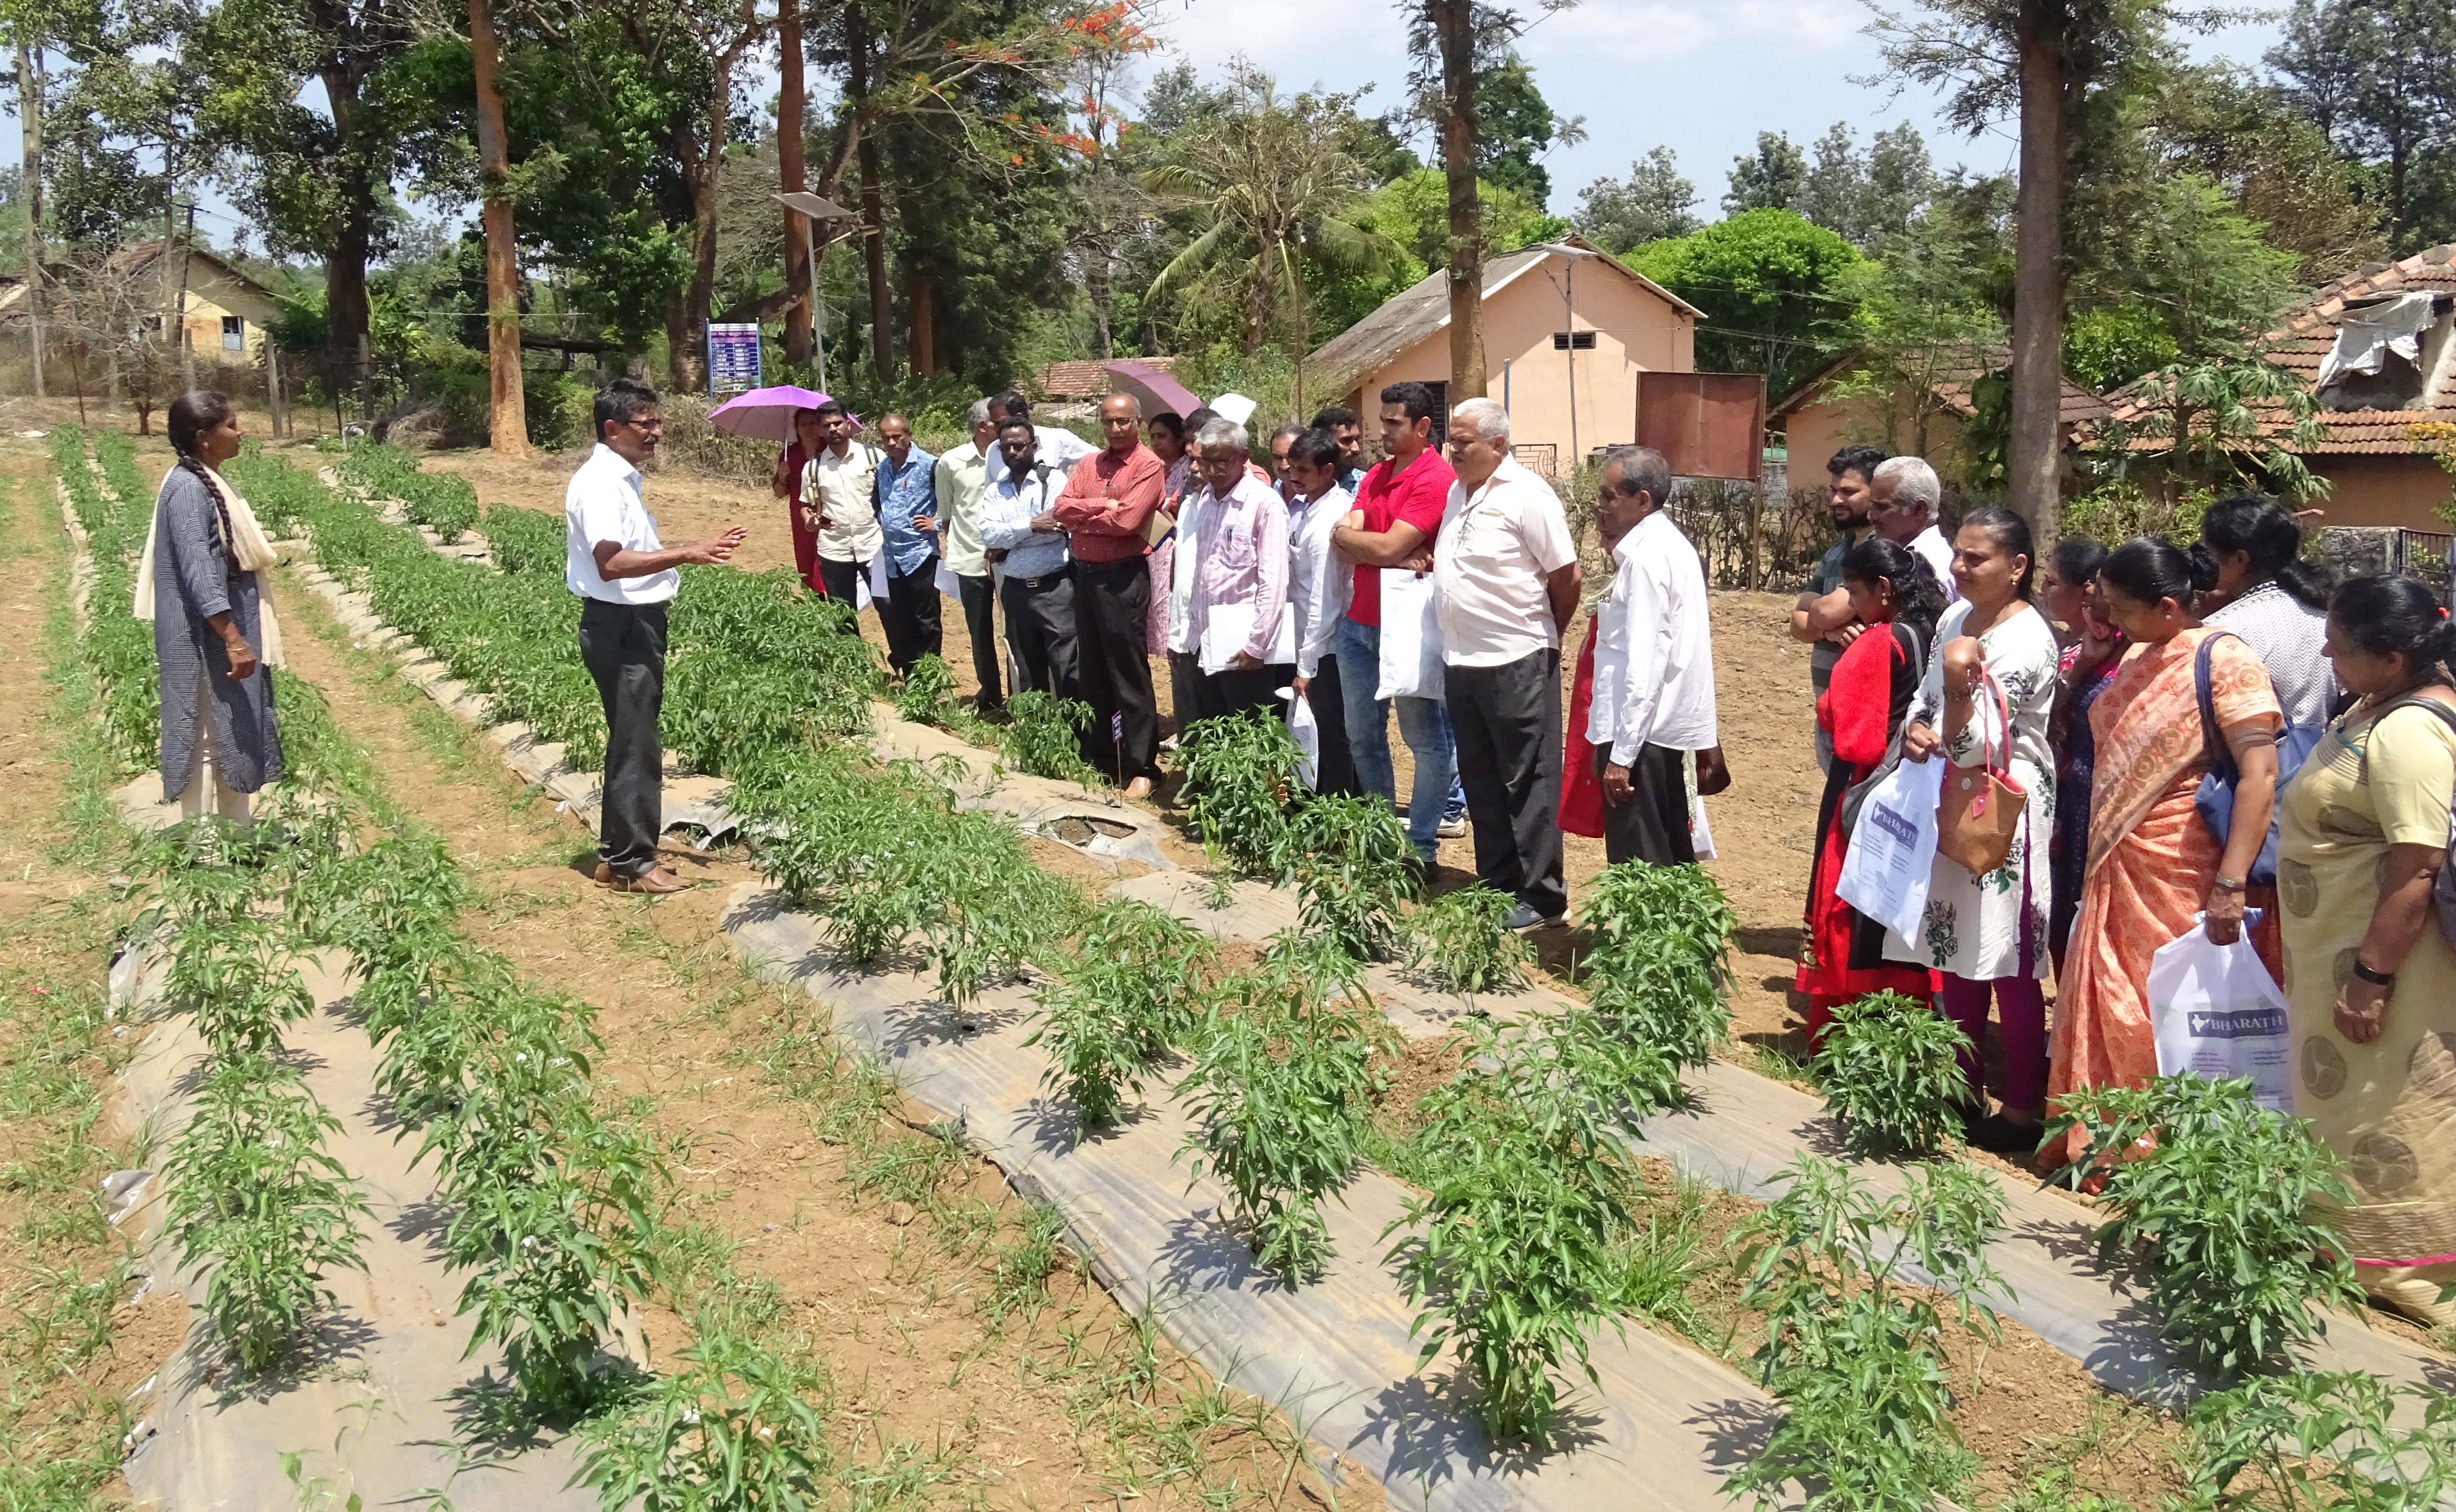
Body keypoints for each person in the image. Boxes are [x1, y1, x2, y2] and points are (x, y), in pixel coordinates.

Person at [2049, 539, 2281, 1165]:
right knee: (2112, 992)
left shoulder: (2226, 659)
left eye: (2123, 609)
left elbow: (2260, 771)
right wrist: (2088, 666)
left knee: (2171, 1005)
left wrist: (2231, 884)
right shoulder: (2138, 655)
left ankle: (2172, 1156)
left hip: (2183, 868)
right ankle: (2105, 1144)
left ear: (2171, 606)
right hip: (2117, 858)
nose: (2112, 620)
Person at [2278, 573, 2456, 1326]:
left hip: (2389, 967)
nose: (2325, 652)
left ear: (2391, 659)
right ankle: (2344, 1240)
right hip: (2337, 956)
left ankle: (2412, 1271)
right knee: (2347, 1101)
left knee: (2395, 1105)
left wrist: (2370, 977)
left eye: (2341, 647)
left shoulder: (2413, 731)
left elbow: (2418, 867)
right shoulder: (2376, 704)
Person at [1891, 508, 2060, 1153]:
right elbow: (1928, 694)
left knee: (2011, 960)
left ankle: (2022, 1108)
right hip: (1949, 800)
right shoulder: (1955, 621)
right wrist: (1915, 725)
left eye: (1977, 558)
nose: (1959, 568)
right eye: (1958, 555)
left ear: (2018, 568)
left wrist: (1952, 707)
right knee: (1954, 947)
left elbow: (1979, 744)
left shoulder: (2027, 640)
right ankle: (1959, 1090)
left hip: (2004, 808)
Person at [566, 378, 745, 893]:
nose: (658, 433)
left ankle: (618, 857)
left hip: (629, 621)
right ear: (612, 428)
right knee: (635, 743)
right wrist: (688, 552)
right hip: (620, 624)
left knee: (633, 739)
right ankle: (630, 865)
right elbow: (612, 563)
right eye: (647, 424)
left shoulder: (620, 480)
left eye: (657, 422)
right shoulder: (601, 484)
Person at [1432, 398, 1580, 927]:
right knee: (1481, 778)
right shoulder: (1458, 491)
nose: (1453, 450)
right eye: (1451, 440)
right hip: (1462, 660)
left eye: (1464, 441)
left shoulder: (1528, 497)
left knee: (1528, 780)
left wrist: (1544, 639)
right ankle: (1496, 886)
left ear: (1498, 445)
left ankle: (1542, 897)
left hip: (1516, 658)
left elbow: (1567, 579)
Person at [1793, 536, 1944, 1043]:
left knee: (1853, 899)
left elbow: (1850, 730)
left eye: (1855, 594)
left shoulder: (1879, 641)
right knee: (1902, 901)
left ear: (1882, 589)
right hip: (1919, 785)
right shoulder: (1933, 630)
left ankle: (1848, 1024)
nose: (1851, 607)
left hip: (1867, 783)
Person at [1331, 381, 1464, 866]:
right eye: (1381, 422)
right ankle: (1383, 839)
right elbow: (1350, 535)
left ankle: (1421, 846)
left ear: (1423, 427)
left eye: (1393, 423)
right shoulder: (1377, 475)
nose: (1381, 432)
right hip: (1358, 624)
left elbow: (1377, 545)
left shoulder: (1436, 479)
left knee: (1423, 738)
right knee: (1363, 736)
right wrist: (1364, 541)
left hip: (1408, 627)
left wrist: (1362, 543)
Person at [136, 389, 284, 823]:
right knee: (203, 734)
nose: (242, 432)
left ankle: (238, 832)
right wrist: (234, 639)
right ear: (204, 437)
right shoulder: (186, 489)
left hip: (218, 628)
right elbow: (199, 572)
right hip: (201, 635)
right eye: (232, 425)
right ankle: (201, 848)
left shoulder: (204, 479)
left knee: (232, 725)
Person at [1585, 444, 1718, 872]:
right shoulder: (1668, 546)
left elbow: (1644, 667)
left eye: (1609, 496)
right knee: (1669, 851)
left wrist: (1622, 757)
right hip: (1660, 732)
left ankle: (1646, 940)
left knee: (1642, 861)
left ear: (1642, 501)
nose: (1599, 505)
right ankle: (1679, 937)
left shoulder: (1646, 560)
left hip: (1642, 736)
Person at [1052, 393, 1166, 794]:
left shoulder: (1148, 465)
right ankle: (1102, 757)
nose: (1115, 429)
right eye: (1108, 422)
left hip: (1122, 579)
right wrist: (1103, 504)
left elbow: (1129, 521)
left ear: (1137, 422)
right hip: (1084, 576)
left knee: (1128, 672)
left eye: (1123, 422)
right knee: (1094, 670)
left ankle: (1142, 767)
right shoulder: (1089, 464)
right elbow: (1060, 508)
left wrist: (1086, 517)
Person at [2043, 536, 2122, 974]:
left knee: (2076, 917)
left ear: (2086, 591)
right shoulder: (2075, 647)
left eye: (2053, 582)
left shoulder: (2112, 652)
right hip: (2071, 800)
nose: (2044, 591)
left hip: (2090, 802)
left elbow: (2055, 723)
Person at [1182, 417, 1292, 721]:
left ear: (1244, 458)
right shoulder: (1205, 499)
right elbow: (1202, 573)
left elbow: (1274, 581)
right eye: (1206, 462)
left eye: (1223, 461)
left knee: (1248, 740)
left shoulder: (1264, 504)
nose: (1213, 470)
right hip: (1204, 641)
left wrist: (1257, 645)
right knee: (1213, 736)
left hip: (1243, 647)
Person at [1790, 444, 1889, 774]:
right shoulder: (1837, 552)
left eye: (1848, 492)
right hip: (1830, 712)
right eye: (1833, 491)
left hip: (1867, 720)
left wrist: (1821, 616)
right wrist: (1829, 629)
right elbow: (1798, 624)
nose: (1835, 501)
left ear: (1877, 493)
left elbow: (1820, 611)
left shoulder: (1884, 553)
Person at [2199, 493, 2337, 729]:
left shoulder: (2219, 632)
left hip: (2256, 760)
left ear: (2240, 559)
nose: (2204, 563)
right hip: (2315, 756)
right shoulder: (2327, 619)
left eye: (2209, 554)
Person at [1282, 427, 1359, 795]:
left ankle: (1340, 817)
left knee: (1333, 735)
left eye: (1302, 469)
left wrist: (1307, 666)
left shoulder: (1332, 517)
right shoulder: (1309, 509)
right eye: (1289, 466)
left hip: (1328, 647)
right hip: (1313, 642)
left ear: (1327, 471)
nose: (1293, 474)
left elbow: (1323, 598)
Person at [980, 417, 1078, 701]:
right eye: (1006, 447)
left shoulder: (1054, 481)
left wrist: (1009, 540)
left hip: (1054, 590)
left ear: (1034, 446)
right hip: (1016, 590)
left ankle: (1074, 738)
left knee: (1068, 668)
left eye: (1020, 446)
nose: (1013, 452)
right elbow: (989, 535)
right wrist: (1032, 526)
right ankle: (1037, 737)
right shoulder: (995, 491)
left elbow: (1058, 526)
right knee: (1027, 670)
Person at [930, 399, 1008, 715]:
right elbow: (947, 514)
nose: (1005, 427)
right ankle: (990, 695)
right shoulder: (951, 463)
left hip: (1008, 560)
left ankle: (1022, 697)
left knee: (1013, 632)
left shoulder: (1012, 457)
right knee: (980, 632)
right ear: (982, 427)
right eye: (998, 423)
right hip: (970, 560)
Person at [870, 413, 941, 675]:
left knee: (927, 620)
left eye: (897, 437)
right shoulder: (882, 468)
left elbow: (951, 504)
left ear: (909, 436)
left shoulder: (931, 466)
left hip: (921, 554)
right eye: (886, 438)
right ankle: (912, 677)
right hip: (892, 557)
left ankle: (929, 681)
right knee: (901, 619)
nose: (891, 443)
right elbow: (877, 503)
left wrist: (938, 524)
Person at [799, 398, 882, 612]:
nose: (833, 429)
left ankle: (899, 647)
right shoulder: (813, 468)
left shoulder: (874, 457)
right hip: (834, 551)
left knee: (889, 608)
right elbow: (806, 505)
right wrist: (811, 522)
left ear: (848, 424)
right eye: (827, 426)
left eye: (837, 423)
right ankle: (849, 647)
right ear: (820, 430)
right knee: (842, 615)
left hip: (874, 546)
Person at [1870, 455, 1958, 604]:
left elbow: (1922, 626)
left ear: (1919, 510)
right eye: (1872, 505)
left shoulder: (1931, 565)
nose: (1871, 516)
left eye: (1882, 507)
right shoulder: (1901, 555)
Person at [770, 406, 830, 594]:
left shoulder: (830, 449)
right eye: (803, 425)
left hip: (828, 511)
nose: (809, 428)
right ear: (797, 429)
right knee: (805, 560)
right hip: (800, 515)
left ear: (820, 426)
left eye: (813, 424)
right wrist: (781, 477)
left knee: (827, 559)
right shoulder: (790, 454)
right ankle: (814, 604)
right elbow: (779, 493)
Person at [985, 390, 1096, 488]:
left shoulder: (1056, 439)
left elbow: (1097, 460)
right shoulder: (993, 449)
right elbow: (991, 493)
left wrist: (1076, 491)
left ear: (1018, 417)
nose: (995, 429)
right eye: (993, 423)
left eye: (999, 423)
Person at [1311, 405, 1364, 491]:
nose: (1356, 449)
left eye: (1357, 440)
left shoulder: (1367, 486)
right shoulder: (1299, 485)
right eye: (1347, 440)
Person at [1265, 423, 1304, 487]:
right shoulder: (1273, 491)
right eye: (1278, 458)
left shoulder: (1318, 495)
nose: (1284, 466)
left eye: (1290, 458)